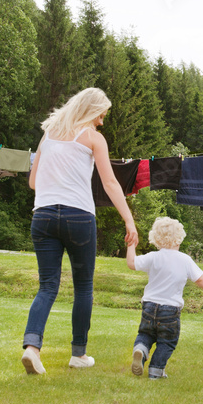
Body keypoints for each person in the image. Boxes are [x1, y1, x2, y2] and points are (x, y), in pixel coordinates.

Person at [21, 88, 139, 375]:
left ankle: (32, 348)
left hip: (44, 216)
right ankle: (78, 354)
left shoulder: (47, 134)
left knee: (47, 286)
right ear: (91, 110)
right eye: (101, 114)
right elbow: (110, 183)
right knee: (83, 287)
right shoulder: (93, 139)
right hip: (79, 217)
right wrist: (129, 220)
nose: (102, 121)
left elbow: (33, 182)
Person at [128, 217, 203, 379]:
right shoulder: (184, 259)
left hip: (149, 307)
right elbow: (199, 279)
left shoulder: (153, 256)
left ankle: (140, 349)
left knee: (146, 333)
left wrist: (131, 245)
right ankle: (155, 370)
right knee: (167, 341)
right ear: (179, 238)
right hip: (170, 310)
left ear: (155, 238)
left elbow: (132, 263)